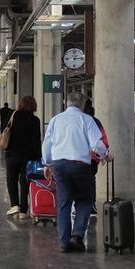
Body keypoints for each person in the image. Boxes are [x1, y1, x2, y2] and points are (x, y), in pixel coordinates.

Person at [42, 92, 110, 253]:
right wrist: (105, 155)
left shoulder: (55, 120)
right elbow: (97, 144)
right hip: (81, 166)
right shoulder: (87, 120)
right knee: (85, 201)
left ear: (66, 103)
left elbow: (47, 143)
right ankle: (77, 236)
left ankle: (64, 243)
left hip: (59, 165)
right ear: (82, 104)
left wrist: (46, 163)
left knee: (64, 204)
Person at [4, 96, 41, 219]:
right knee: (25, 181)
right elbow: (36, 140)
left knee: (11, 179)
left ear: (21, 104)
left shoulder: (13, 115)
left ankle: (14, 205)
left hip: (12, 154)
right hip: (28, 156)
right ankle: (24, 210)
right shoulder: (35, 120)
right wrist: (38, 157)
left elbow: (4, 129)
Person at [82, 98, 108, 216]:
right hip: (92, 158)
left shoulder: (76, 119)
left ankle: (76, 206)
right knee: (91, 180)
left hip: (76, 157)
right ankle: (91, 205)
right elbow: (102, 139)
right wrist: (104, 153)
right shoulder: (95, 121)